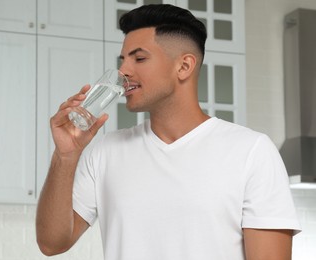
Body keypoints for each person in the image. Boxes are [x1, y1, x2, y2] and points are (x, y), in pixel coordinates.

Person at [36, 4, 301, 260]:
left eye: (139, 58)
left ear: (184, 66)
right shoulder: (105, 151)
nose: (124, 71)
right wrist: (66, 156)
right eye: (123, 59)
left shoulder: (251, 151)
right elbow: (51, 243)